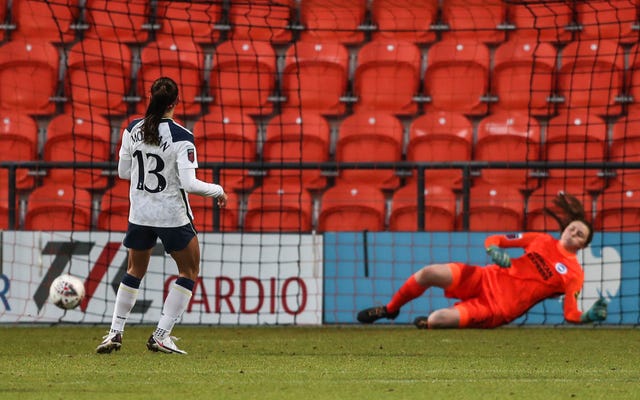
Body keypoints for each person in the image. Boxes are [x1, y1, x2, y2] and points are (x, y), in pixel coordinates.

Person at [96, 77, 228, 354]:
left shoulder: (132, 129)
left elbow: (122, 173)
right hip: (171, 216)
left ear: (151, 99)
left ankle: (114, 332)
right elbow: (190, 185)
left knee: (134, 271)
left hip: (141, 213)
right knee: (189, 271)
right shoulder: (182, 137)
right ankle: (161, 334)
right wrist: (218, 190)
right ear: (175, 103)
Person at [357, 192, 609, 329]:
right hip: (484, 277)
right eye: (573, 228)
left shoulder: (574, 274)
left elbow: (571, 314)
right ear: (565, 228)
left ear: (583, 245)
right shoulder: (540, 239)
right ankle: (389, 310)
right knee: (428, 273)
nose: (574, 234)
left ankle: (433, 322)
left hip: (498, 309)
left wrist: (588, 316)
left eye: (580, 235)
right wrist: (494, 251)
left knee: (437, 319)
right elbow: (496, 237)